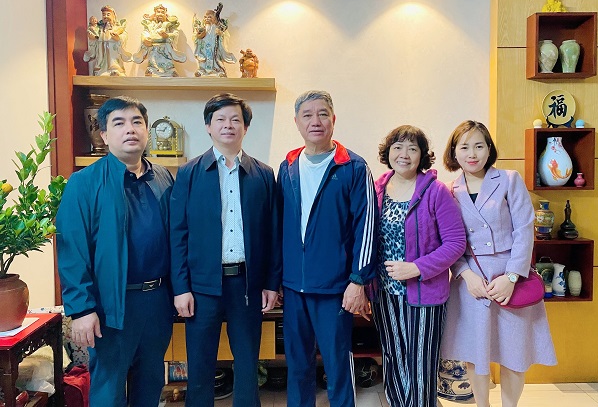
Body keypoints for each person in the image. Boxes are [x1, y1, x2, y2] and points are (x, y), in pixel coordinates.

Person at [56, 96, 174, 406]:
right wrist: (81, 310)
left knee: (150, 384)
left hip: (157, 302)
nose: (130, 129)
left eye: (137, 122)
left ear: (146, 131)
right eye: (119, 123)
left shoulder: (162, 177)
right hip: (111, 306)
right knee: (109, 390)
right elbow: (72, 251)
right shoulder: (84, 182)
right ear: (105, 135)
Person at [170, 93, 281, 407]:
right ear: (208, 126)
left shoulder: (263, 174)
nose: (228, 125)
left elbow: (273, 234)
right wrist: (181, 288)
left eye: (235, 119)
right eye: (220, 119)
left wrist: (271, 283)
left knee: (247, 362)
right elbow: (177, 234)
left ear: (246, 127)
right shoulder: (189, 173)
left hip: (246, 284)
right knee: (200, 362)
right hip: (202, 285)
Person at [440, 120, 557, 407]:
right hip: (472, 281)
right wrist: (466, 275)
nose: (472, 153)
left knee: (514, 354)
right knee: (474, 353)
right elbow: (449, 240)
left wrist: (512, 276)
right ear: (453, 152)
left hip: (509, 276)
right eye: (464, 147)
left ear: (489, 149)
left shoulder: (508, 179)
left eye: (479, 146)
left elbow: (524, 230)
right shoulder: (449, 190)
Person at [277, 90, 378, 406]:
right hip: (294, 287)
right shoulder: (288, 166)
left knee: (337, 366)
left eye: (322, 114)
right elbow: (279, 226)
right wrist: (276, 279)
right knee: (297, 365)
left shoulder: (353, 167)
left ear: (333, 120)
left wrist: (358, 280)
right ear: (297, 122)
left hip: (335, 288)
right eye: (307, 115)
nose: (315, 121)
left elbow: (367, 227)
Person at [372, 125, 466, 407]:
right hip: (384, 293)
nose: (404, 154)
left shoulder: (436, 192)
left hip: (424, 293)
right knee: (393, 358)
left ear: (422, 156)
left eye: (412, 149)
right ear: (388, 152)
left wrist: (417, 268)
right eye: (398, 147)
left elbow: (455, 243)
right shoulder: (376, 189)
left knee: (420, 365)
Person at [133, 4, 186, 77]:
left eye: (162, 12)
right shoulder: (150, 25)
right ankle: (152, 69)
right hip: (153, 47)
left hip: (166, 46)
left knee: (167, 57)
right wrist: (145, 39)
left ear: (165, 14)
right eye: (158, 12)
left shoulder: (169, 25)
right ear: (155, 14)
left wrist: (167, 35)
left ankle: (169, 70)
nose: (160, 14)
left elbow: (175, 33)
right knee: (153, 58)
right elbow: (145, 32)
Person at [83, 5, 132, 76]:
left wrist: (118, 38)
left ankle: (115, 70)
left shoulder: (118, 28)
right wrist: (92, 38)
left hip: (113, 52)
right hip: (102, 52)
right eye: (103, 15)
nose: (105, 16)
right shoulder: (99, 29)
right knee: (100, 61)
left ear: (113, 16)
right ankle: (100, 71)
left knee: (114, 61)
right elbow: (94, 38)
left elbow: (124, 36)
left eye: (108, 14)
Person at [192, 3, 237, 77]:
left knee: (216, 59)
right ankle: (202, 70)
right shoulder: (203, 28)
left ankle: (218, 70)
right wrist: (198, 37)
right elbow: (196, 37)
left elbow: (225, 35)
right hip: (204, 48)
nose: (207, 19)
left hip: (215, 48)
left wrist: (221, 34)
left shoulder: (216, 27)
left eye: (209, 17)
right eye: (205, 17)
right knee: (203, 59)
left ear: (214, 18)